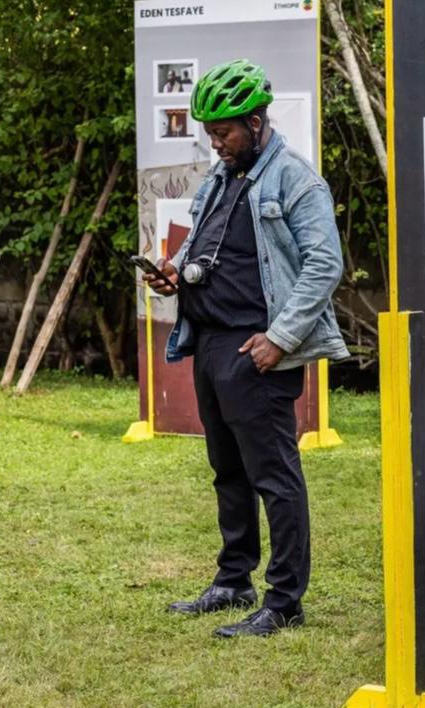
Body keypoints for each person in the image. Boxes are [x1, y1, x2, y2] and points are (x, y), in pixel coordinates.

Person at [144, 59, 349, 638]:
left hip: (257, 350)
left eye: (224, 132)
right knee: (228, 471)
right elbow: (205, 247)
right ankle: (234, 580)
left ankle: (285, 601)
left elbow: (325, 265)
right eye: (210, 132)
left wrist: (280, 338)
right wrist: (174, 271)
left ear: (255, 123)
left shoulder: (297, 181)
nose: (216, 142)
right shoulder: (223, 177)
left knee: (274, 477)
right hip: (210, 344)